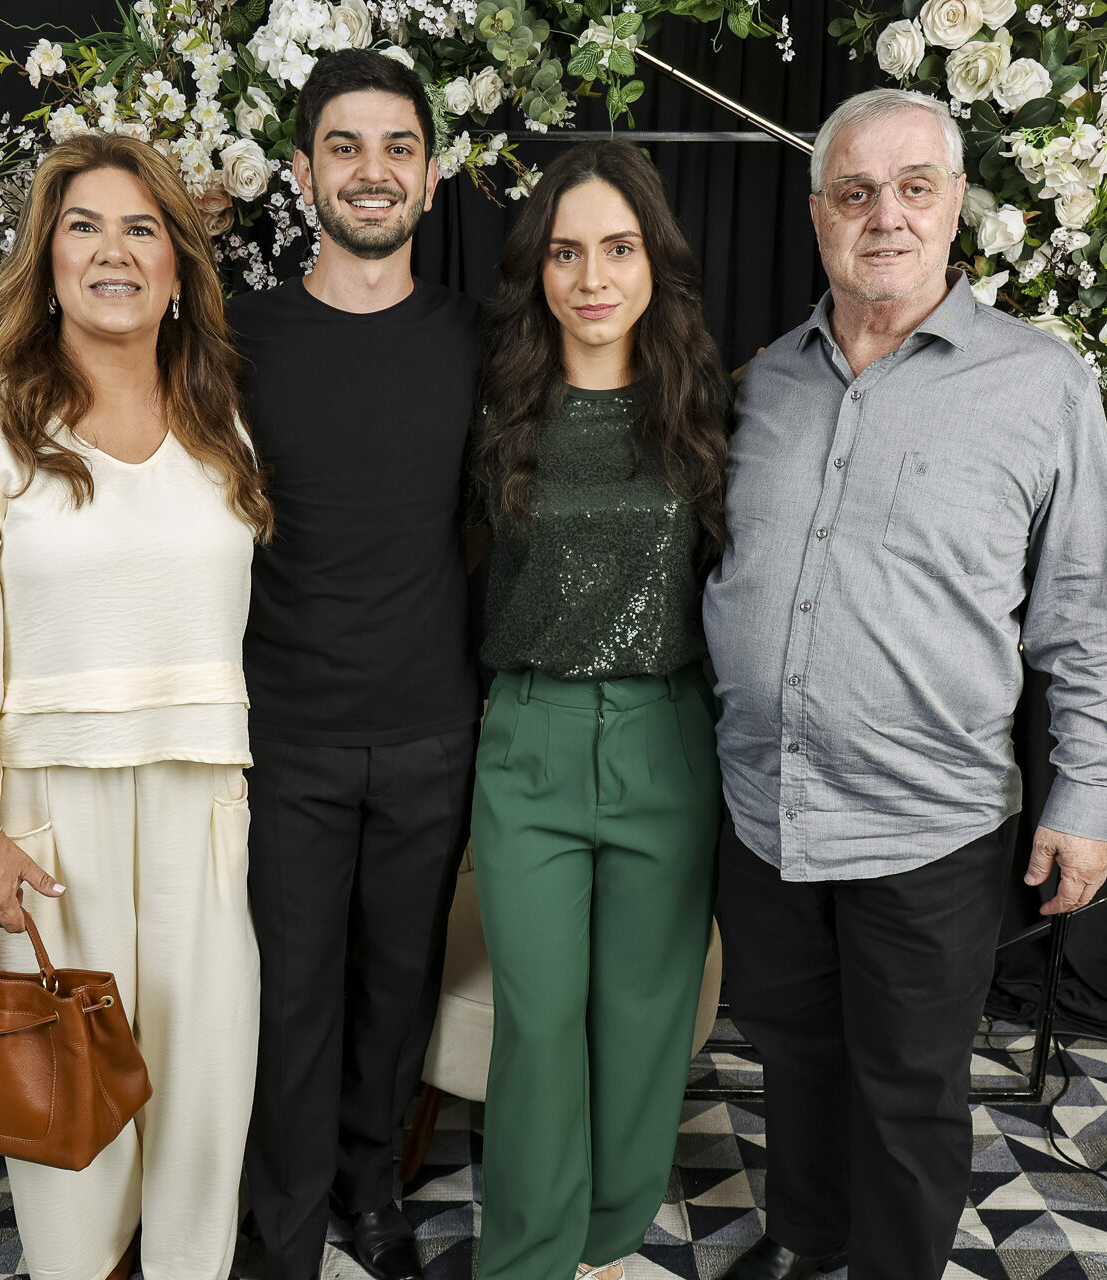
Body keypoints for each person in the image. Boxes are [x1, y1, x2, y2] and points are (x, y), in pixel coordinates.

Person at [703, 88, 1107, 1280]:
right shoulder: (761, 383)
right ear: (818, 214)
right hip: (765, 810)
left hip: (930, 823)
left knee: (907, 1089)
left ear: (956, 205)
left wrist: (1086, 789)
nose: (885, 216)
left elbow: (1092, 607)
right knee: (792, 1053)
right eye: (855, 192)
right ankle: (810, 1239)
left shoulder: (1040, 386)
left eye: (913, 188)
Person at [0, 132, 272, 1280]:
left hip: (205, 799)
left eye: (141, 228)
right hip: (49, 816)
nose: (113, 251)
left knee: (207, 1095)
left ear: (178, 270)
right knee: (64, 1103)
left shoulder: (222, 426)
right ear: (48, 261)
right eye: (84, 227)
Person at [227, 49, 482, 1280]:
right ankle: (280, 1225)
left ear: (430, 178)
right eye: (345, 147)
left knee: (396, 989)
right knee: (290, 997)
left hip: (434, 725)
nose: (372, 171)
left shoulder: (480, 337)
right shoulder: (237, 335)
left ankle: (369, 1186)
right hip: (288, 731)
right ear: (301, 172)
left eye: (397, 149)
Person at [467, 140, 733, 1280]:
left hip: (666, 738)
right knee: (536, 1021)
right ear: (537, 269)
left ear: (652, 261)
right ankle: (527, 1260)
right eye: (566, 252)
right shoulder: (492, 410)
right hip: (527, 737)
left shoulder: (708, 408)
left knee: (643, 1016)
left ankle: (608, 1241)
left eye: (617, 249)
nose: (592, 278)